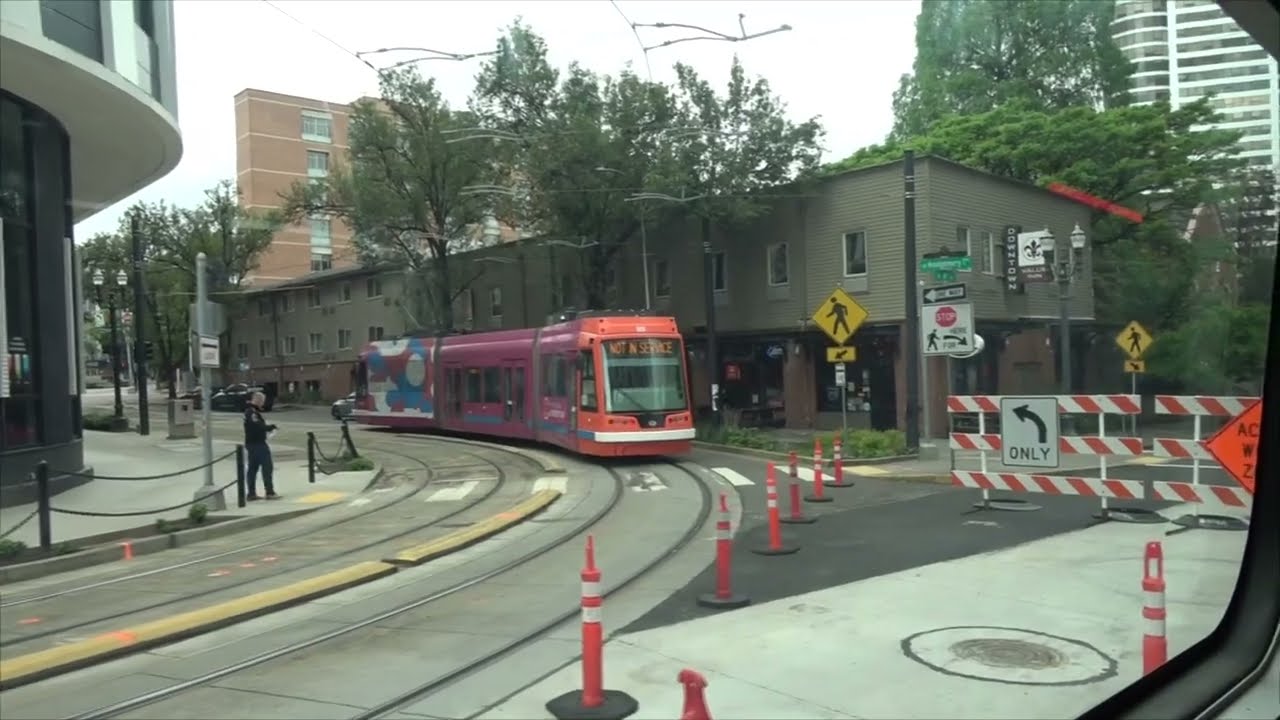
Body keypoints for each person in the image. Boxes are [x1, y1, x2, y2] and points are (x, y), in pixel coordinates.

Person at [243, 392, 281, 500]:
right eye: (262, 401)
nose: (263, 404)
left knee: (253, 468)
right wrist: (270, 427)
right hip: (257, 444)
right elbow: (258, 426)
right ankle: (269, 492)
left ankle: (251, 493)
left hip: (252, 443)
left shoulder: (250, 411)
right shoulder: (252, 412)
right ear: (258, 400)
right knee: (267, 466)